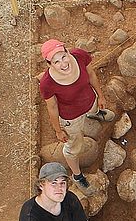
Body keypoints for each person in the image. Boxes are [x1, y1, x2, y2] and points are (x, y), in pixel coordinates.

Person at [37, 39, 116, 190]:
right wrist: (58, 130)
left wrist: (100, 96)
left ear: (67, 52)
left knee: (93, 109)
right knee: (73, 148)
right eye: (56, 62)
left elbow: (91, 74)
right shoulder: (47, 84)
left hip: (89, 100)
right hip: (71, 118)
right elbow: (52, 108)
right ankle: (77, 175)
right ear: (49, 65)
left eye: (63, 56)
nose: (63, 63)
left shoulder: (79, 56)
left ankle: (95, 114)